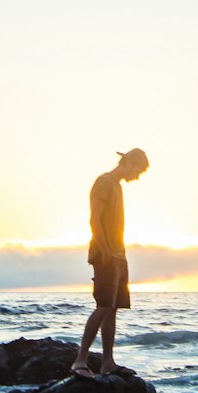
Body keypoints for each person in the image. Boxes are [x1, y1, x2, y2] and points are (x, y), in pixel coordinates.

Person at [71, 148, 149, 379]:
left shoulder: (118, 186)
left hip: (118, 255)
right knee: (104, 305)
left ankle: (107, 363)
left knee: (113, 309)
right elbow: (94, 219)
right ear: (129, 162)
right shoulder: (103, 181)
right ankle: (80, 360)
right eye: (139, 170)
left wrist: (118, 254)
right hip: (104, 254)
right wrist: (105, 251)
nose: (138, 175)